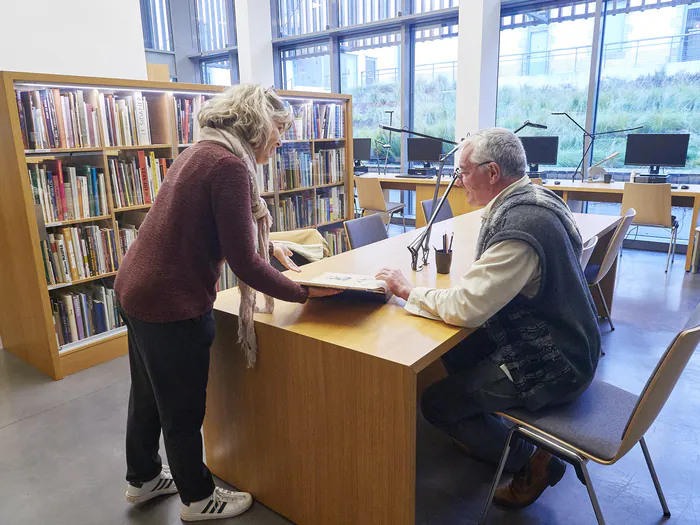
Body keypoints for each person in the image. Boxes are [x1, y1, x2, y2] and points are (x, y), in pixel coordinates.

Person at [115, 85, 336, 522]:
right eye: (278, 129)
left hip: (135, 287)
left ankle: (141, 479)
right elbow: (243, 265)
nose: (281, 139)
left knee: (147, 395)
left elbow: (211, 226)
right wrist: (304, 293)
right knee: (182, 407)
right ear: (256, 123)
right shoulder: (230, 166)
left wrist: (268, 249)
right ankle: (197, 499)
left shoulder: (201, 151)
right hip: (171, 301)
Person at [376, 128, 601, 509]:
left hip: (555, 360)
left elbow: (468, 308)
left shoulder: (520, 227)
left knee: (437, 402)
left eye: (463, 172)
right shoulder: (538, 198)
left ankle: (531, 461)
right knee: (452, 351)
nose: (459, 181)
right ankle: (490, 431)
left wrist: (407, 291)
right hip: (567, 336)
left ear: (492, 172)